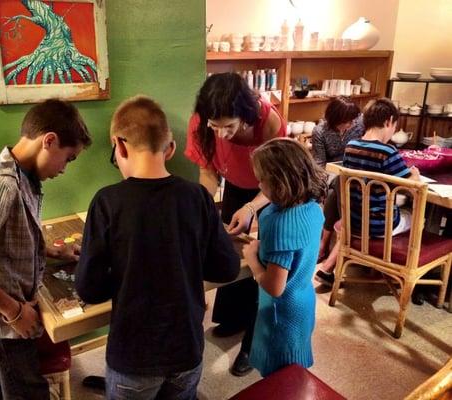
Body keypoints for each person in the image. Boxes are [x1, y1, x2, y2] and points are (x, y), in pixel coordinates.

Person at [75, 95, 240, 400]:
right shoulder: (198, 197)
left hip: (133, 357)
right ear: (171, 148)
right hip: (187, 350)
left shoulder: (107, 202)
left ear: (119, 145)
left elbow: (89, 289)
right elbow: (227, 267)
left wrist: (126, 271)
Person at [0, 99, 92, 399]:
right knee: (27, 391)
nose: (65, 169)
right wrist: (15, 313)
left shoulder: (23, 176)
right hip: (0, 325)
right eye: (69, 158)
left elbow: (7, 241)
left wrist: (53, 251)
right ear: (49, 141)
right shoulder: (3, 187)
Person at [184, 72, 286, 376]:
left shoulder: (268, 121)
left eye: (229, 126)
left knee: (261, 258)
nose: (222, 134)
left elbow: (278, 178)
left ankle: (253, 345)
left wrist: (252, 207)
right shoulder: (201, 123)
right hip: (235, 185)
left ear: (245, 114)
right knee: (231, 249)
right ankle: (233, 318)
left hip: (270, 189)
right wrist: (202, 211)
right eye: (214, 126)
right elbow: (208, 173)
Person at [242, 138, 327, 377]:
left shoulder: (281, 225)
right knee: (292, 369)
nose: (258, 184)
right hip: (303, 300)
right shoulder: (312, 206)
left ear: (280, 185)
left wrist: (252, 259)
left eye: (261, 180)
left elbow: (275, 286)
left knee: (280, 375)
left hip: (282, 313)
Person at [315, 98, 420, 285]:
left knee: (373, 207)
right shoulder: (388, 151)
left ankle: (329, 266)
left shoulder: (351, 146)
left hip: (353, 220)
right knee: (416, 216)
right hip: (379, 226)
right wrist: (415, 175)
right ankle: (406, 271)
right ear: (389, 121)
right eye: (394, 126)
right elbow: (412, 188)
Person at [311, 96, 364, 265]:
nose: (351, 124)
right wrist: (322, 184)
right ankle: (341, 240)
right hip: (332, 172)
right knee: (336, 186)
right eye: (347, 121)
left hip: (357, 169)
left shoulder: (359, 124)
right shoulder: (320, 131)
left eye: (352, 120)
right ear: (335, 119)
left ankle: (324, 243)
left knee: (337, 190)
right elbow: (319, 163)